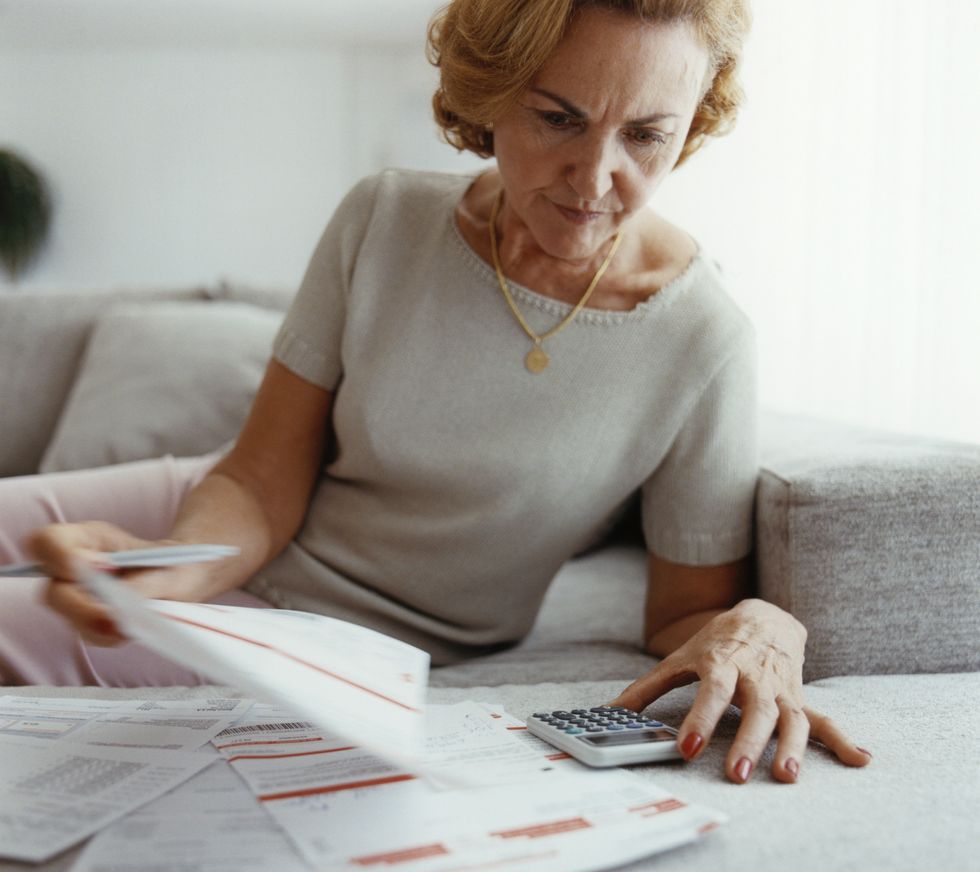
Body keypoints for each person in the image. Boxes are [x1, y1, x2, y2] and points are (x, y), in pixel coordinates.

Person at [0, 0, 871, 784]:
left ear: (694, 120)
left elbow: (684, 612)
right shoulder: (381, 218)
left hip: (318, 625)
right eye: (558, 118)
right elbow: (260, 479)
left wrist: (769, 623)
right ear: (492, 92)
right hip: (210, 512)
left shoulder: (704, 340)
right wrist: (180, 563)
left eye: (646, 134)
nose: (594, 177)